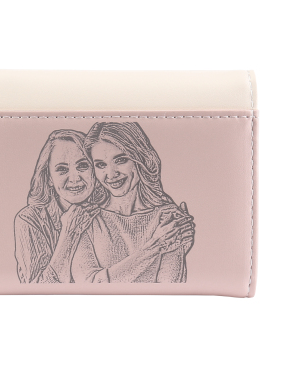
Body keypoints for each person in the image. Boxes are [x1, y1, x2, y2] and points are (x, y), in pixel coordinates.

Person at [71, 121, 195, 283]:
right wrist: (154, 248)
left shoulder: (167, 217)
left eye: (121, 160)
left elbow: (168, 289)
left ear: (140, 159)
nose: (111, 174)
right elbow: (89, 285)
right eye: (101, 165)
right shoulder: (86, 218)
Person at [14, 129, 104, 283]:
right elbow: (38, 291)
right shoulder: (29, 220)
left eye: (83, 165)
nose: (74, 178)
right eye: (62, 169)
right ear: (49, 178)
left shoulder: (109, 210)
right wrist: (69, 233)